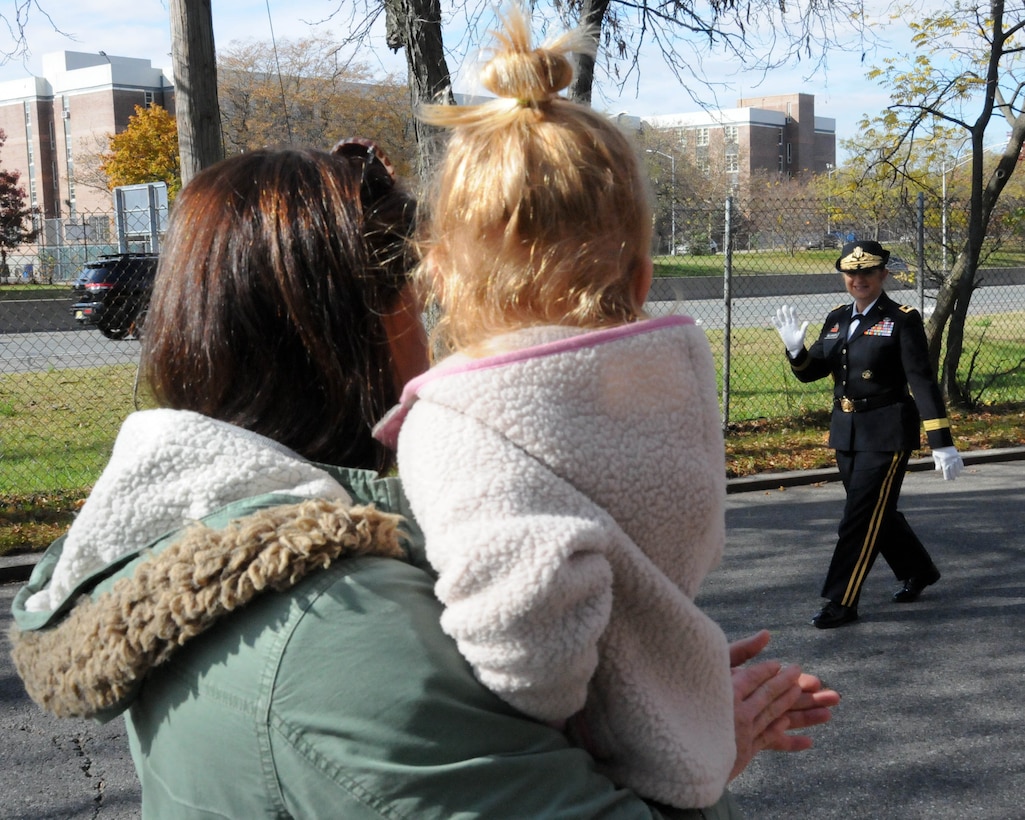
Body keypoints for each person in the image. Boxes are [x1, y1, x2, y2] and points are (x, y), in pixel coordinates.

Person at [10, 143, 836, 819]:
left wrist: (640, 690)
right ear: (366, 324)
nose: (438, 327)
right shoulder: (341, 634)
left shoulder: (213, 535)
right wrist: (698, 752)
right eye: (416, 288)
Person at [371, 7, 836, 816]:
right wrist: (671, 682)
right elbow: (653, 568)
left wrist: (574, 713)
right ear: (644, 274)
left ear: (438, 273)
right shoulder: (668, 387)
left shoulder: (463, 423)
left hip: (577, 782)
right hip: (677, 763)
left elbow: (529, 651)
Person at [772, 239, 964, 630]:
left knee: (857, 519)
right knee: (878, 511)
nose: (858, 279)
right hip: (846, 433)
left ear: (883, 275)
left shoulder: (902, 319)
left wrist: (941, 442)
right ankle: (918, 569)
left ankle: (841, 601)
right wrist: (796, 352)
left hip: (888, 432)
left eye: (867, 272)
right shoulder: (838, 317)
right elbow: (814, 371)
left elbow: (922, 381)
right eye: (851, 272)